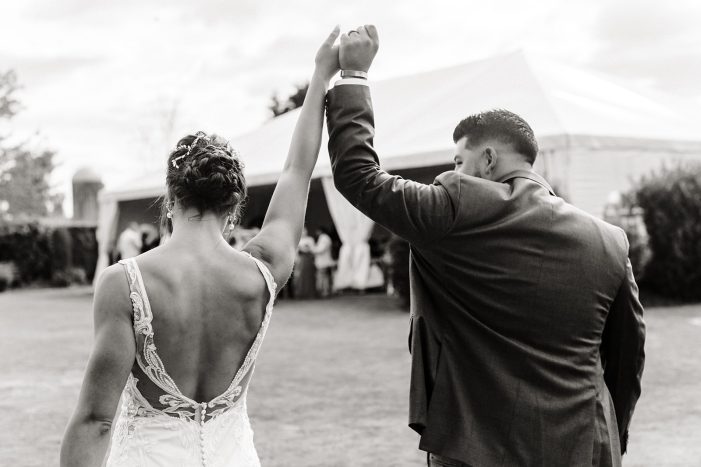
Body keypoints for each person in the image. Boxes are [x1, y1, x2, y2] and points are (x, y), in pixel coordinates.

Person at [325, 25, 645, 466]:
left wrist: (354, 75)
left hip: (476, 446)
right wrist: (612, 435)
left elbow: (358, 175)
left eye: (460, 160)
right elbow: (627, 361)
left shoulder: (458, 208)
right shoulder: (610, 241)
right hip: (585, 445)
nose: (455, 170)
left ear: (489, 160)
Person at [60, 26, 342, 467]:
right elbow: (296, 172)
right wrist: (322, 75)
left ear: (170, 198)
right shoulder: (265, 269)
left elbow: (96, 420)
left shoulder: (125, 282)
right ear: (234, 206)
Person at [292, 227, 317, 299]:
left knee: (309, 276)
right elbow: (295, 251)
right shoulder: (297, 239)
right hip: (300, 260)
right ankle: (300, 293)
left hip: (308, 259)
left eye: (305, 231)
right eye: (302, 231)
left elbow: (313, 249)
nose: (303, 232)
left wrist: (306, 249)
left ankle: (310, 293)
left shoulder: (310, 239)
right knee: (300, 277)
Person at [312, 226, 335, 297]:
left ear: (320, 231)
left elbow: (320, 249)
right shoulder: (326, 237)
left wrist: (311, 248)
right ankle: (325, 292)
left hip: (323, 262)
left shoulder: (324, 238)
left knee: (323, 278)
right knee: (325, 277)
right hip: (324, 262)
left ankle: (325, 292)